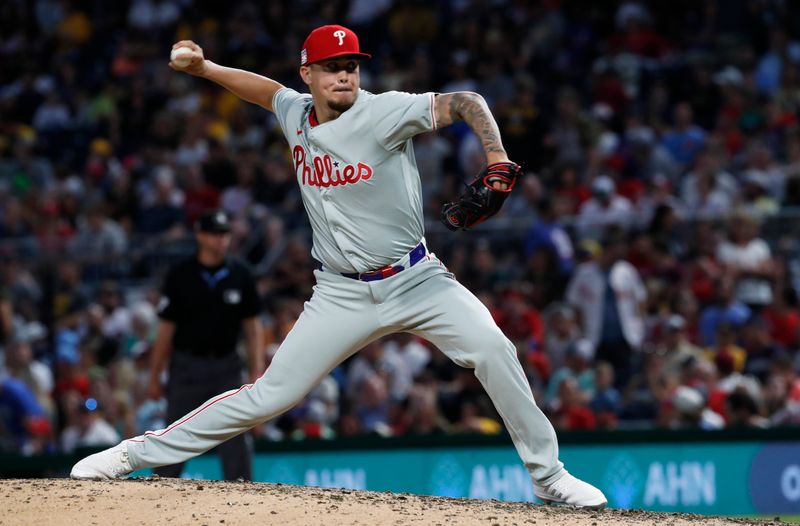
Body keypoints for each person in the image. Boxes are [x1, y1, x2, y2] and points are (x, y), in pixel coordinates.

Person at [71, 24, 606, 509]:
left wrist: (495, 159)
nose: (345, 74)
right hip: (340, 294)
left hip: (416, 279)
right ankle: (130, 457)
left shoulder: (384, 110)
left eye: (350, 64)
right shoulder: (295, 113)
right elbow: (264, 91)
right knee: (269, 396)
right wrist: (207, 69)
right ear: (309, 74)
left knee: (493, 348)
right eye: (332, 66)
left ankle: (549, 475)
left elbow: (467, 101)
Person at [147, 209, 263, 480]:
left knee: (234, 432)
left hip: (227, 366)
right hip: (187, 366)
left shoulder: (240, 274)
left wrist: (257, 368)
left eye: (224, 234)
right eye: (214, 234)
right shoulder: (180, 275)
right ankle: (160, 491)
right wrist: (154, 375)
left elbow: (253, 327)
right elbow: (165, 329)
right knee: (174, 433)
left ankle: (243, 495)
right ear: (200, 236)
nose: (220, 240)